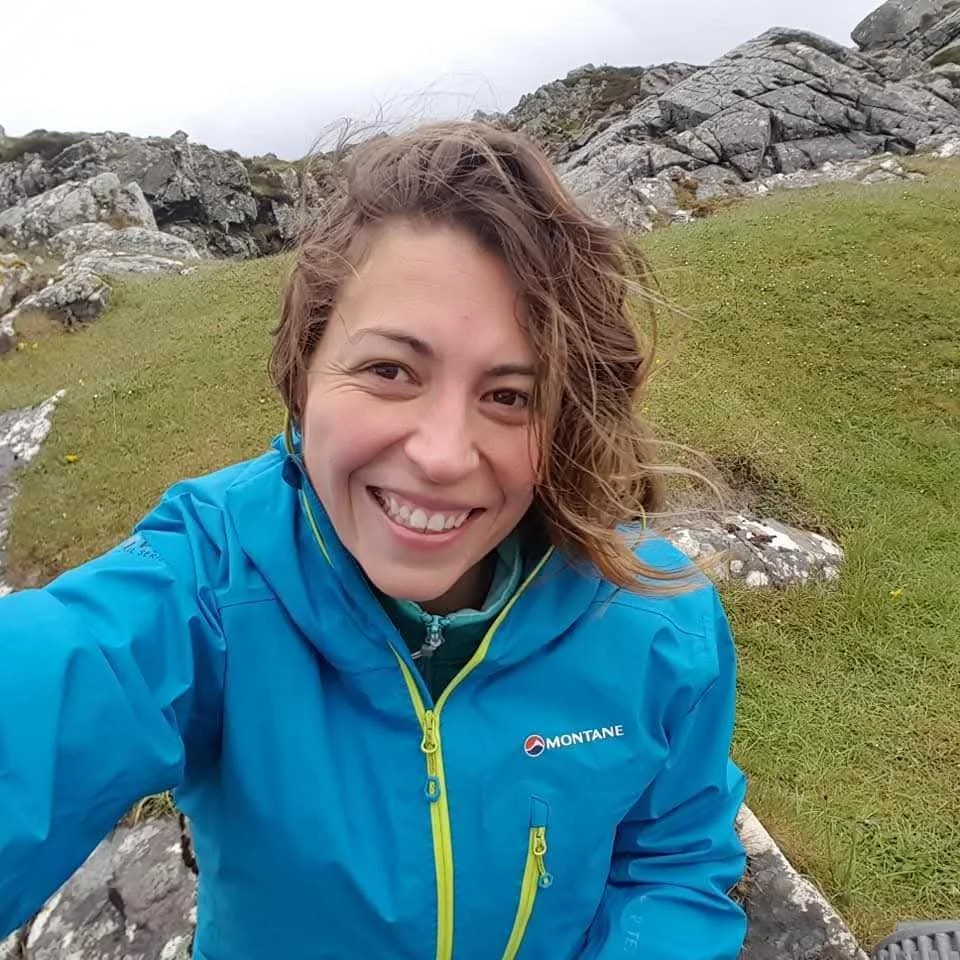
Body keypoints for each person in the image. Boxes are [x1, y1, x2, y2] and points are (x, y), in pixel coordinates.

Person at [0, 121, 747, 959]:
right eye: (391, 371)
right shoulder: (210, 584)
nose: (439, 454)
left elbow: (671, 863)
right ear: (302, 369)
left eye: (508, 396)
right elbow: (55, 683)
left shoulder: (656, 622)